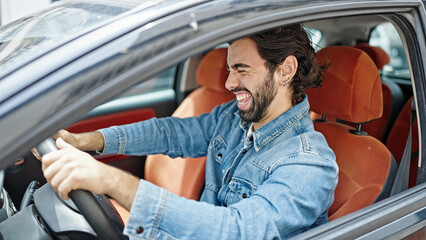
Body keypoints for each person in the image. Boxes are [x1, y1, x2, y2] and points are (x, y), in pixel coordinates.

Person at [41, 24, 338, 239]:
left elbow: (237, 230)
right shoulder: (234, 119)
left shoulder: (309, 163)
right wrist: (83, 141)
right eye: (230, 69)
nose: (229, 83)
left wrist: (114, 181)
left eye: (242, 69)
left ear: (285, 70)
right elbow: (169, 133)